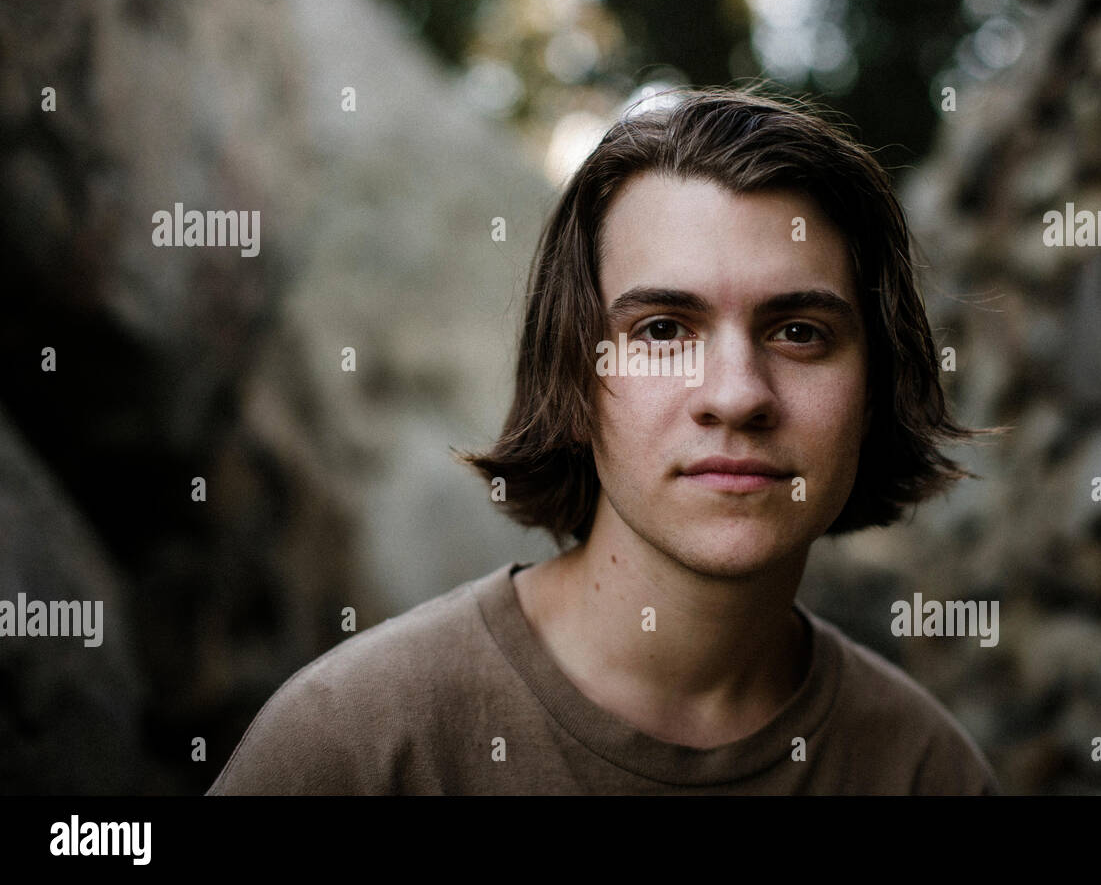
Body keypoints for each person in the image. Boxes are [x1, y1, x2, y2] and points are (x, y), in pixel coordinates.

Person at [208, 87, 1000, 795]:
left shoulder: (927, 771)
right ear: (574, 375)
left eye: (798, 331)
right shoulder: (355, 745)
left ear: (874, 386)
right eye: (662, 330)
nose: (736, 394)